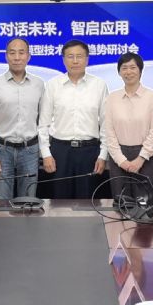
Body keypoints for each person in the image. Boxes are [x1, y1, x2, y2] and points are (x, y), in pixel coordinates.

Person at [38, 40, 108, 200]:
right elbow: (43, 124)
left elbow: (106, 124)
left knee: (87, 201)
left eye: (79, 56)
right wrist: (46, 154)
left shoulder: (99, 85)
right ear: (63, 60)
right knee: (60, 202)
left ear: (87, 59)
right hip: (60, 152)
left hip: (89, 152)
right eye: (70, 56)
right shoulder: (53, 85)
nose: (75, 61)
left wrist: (103, 155)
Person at [0, 37, 44, 202]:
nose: (17, 57)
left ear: (28, 57)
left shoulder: (39, 84)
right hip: (2, 150)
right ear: (6, 56)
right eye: (12, 53)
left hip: (30, 150)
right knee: (2, 202)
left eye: (21, 53)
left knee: (28, 201)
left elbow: (43, 121)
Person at [103, 52, 153, 199]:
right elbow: (109, 133)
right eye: (124, 68)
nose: (128, 72)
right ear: (119, 72)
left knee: (145, 204)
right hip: (118, 157)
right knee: (122, 203)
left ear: (140, 70)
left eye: (132, 67)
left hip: (146, 157)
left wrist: (140, 159)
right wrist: (121, 161)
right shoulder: (112, 98)